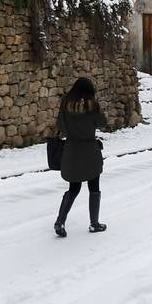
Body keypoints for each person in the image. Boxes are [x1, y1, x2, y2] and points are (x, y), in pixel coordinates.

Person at [54, 77, 108, 237]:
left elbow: (61, 126)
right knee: (94, 187)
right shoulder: (92, 106)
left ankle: (60, 222)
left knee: (74, 188)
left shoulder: (65, 104)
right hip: (90, 150)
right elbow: (102, 123)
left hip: (71, 150)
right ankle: (94, 223)